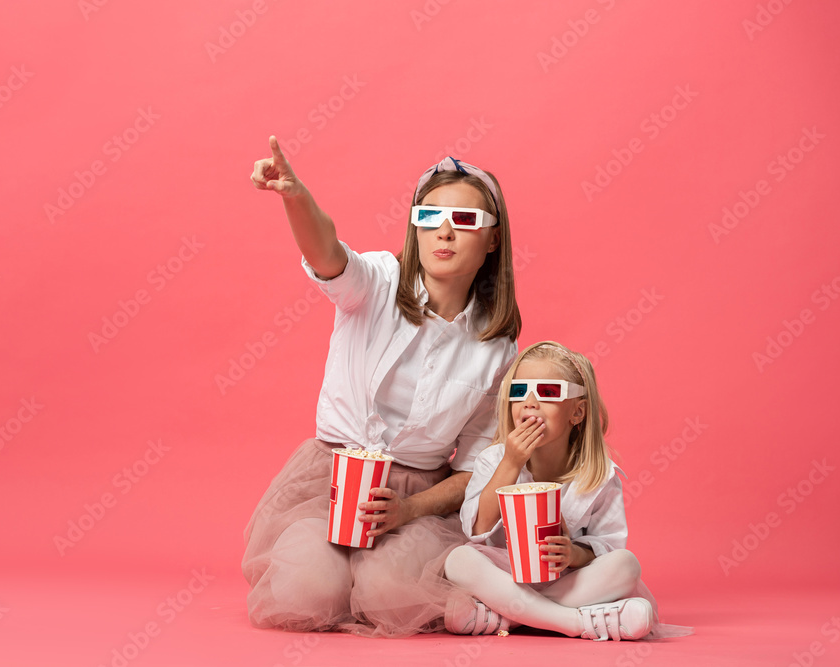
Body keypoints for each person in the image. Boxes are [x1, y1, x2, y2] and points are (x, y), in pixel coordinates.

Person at [242, 137, 521, 637]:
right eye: (430, 217)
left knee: (390, 594)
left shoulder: (497, 348)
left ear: (493, 239)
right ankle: (342, 574)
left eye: (465, 221)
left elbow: (477, 466)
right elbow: (327, 252)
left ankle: (429, 589)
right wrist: (296, 197)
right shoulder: (378, 281)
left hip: (416, 498)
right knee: (305, 591)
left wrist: (410, 509)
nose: (445, 232)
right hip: (330, 477)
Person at [444, 341, 686, 640]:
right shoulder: (494, 459)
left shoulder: (600, 476)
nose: (530, 402)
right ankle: (576, 622)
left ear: (577, 412)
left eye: (547, 393)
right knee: (459, 560)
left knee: (626, 565)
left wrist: (574, 554)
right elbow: (477, 529)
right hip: (505, 576)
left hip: (569, 580)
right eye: (519, 392)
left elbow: (607, 545)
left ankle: (505, 617)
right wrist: (511, 462)